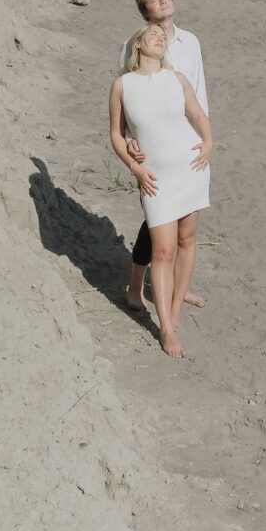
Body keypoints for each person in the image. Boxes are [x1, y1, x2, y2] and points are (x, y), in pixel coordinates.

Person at [109, 22, 212, 357]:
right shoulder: (122, 85)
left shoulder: (176, 78)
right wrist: (134, 165)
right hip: (154, 177)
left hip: (190, 168)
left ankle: (176, 311)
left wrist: (208, 143)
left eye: (161, 35)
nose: (158, 37)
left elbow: (197, 114)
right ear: (137, 44)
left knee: (187, 240)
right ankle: (165, 329)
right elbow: (116, 134)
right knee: (163, 250)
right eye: (150, 33)